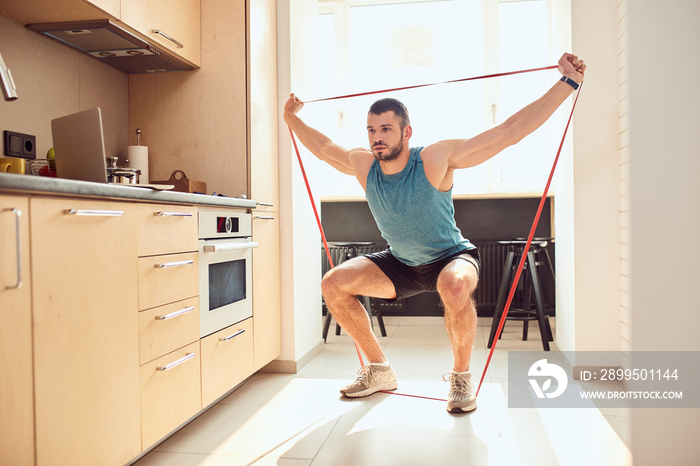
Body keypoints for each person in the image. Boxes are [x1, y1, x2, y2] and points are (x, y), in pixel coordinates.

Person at [284, 53, 586, 413]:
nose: (377, 138)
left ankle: (461, 378)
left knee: (455, 286)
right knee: (333, 284)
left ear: (406, 132)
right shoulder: (364, 164)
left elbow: (507, 132)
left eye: (386, 130)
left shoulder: (434, 159)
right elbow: (321, 148)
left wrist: (567, 83)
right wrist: (290, 117)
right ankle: (378, 369)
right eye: (371, 130)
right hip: (400, 262)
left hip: (451, 257)